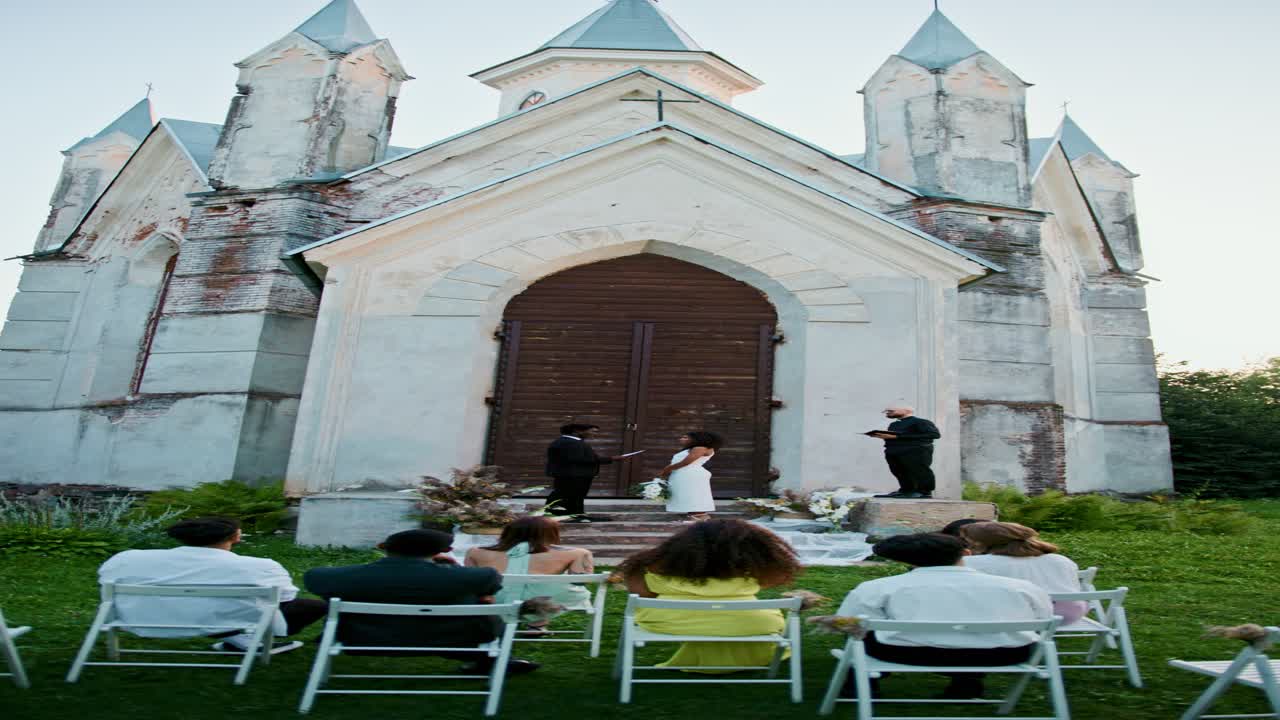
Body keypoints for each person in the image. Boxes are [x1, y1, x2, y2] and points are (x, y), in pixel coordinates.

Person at [836, 533, 1052, 699]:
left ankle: (859, 687)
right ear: (966, 554)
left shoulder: (878, 587)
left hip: (907, 653)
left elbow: (847, 621)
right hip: (1007, 653)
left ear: (907, 560)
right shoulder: (1020, 587)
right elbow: (1044, 618)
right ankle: (966, 685)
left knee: (858, 632)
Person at [305, 528, 538, 674]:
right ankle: (494, 662)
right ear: (443, 550)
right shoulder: (478, 576)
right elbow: (489, 585)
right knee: (485, 607)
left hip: (360, 638)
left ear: (384, 548)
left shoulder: (333, 577)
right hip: (458, 639)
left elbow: (312, 578)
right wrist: (455, 569)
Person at [97, 517, 326, 654]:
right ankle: (243, 640)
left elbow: (104, 580)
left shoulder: (126, 559)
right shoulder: (261, 566)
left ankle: (239, 642)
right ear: (236, 536)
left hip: (143, 619)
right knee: (311, 605)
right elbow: (286, 597)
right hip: (226, 620)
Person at [615, 518, 802, 673]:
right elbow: (773, 581)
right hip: (752, 623)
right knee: (745, 619)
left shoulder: (649, 566)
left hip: (668, 621)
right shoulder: (747, 570)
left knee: (705, 620)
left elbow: (642, 596)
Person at [465, 516, 594, 633]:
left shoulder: (475, 552)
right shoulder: (577, 553)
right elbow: (581, 581)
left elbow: (470, 581)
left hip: (495, 600)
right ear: (550, 533)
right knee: (551, 590)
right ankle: (537, 623)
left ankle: (500, 622)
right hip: (541, 601)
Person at [960, 521, 1088, 624]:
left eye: (968, 541)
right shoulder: (1060, 559)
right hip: (1070, 613)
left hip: (1023, 616)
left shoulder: (978, 562)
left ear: (981, 543)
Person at [544, 423, 629, 522]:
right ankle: (571, 515)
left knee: (571, 496)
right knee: (571, 496)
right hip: (574, 476)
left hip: (573, 475)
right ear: (577, 431)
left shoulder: (567, 441)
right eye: (592, 431)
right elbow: (582, 459)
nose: (594, 434)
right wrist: (612, 459)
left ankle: (573, 515)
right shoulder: (571, 443)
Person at [867, 406, 941, 499]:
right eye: (886, 411)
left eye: (891, 410)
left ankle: (924, 492)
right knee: (899, 471)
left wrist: (897, 437)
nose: (887, 412)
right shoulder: (894, 425)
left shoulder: (921, 422)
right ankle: (906, 490)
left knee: (919, 471)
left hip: (915, 451)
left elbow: (934, 434)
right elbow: (897, 437)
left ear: (907, 410)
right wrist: (882, 436)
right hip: (894, 451)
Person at [659, 431, 723, 521]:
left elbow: (686, 462)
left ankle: (699, 516)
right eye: (682, 437)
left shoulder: (700, 448)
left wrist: (667, 469)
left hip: (690, 474)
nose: (681, 439)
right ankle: (694, 515)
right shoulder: (694, 448)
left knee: (693, 494)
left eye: (685, 438)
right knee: (687, 494)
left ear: (696, 439)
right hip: (684, 474)